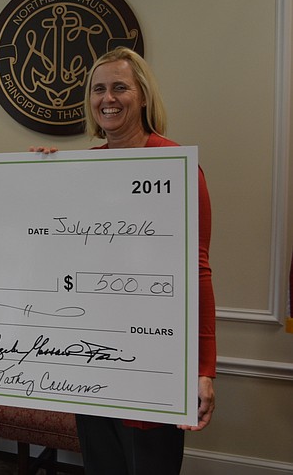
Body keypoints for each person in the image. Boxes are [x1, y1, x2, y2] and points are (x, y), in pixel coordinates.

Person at [73, 47, 217, 474]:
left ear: (143, 97)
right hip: (88, 355)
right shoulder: (82, 169)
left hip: (154, 356)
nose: (108, 98)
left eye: (120, 87)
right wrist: (45, 174)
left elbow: (199, 272)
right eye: (99, 89)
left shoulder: (176, 166)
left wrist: (203, 368)